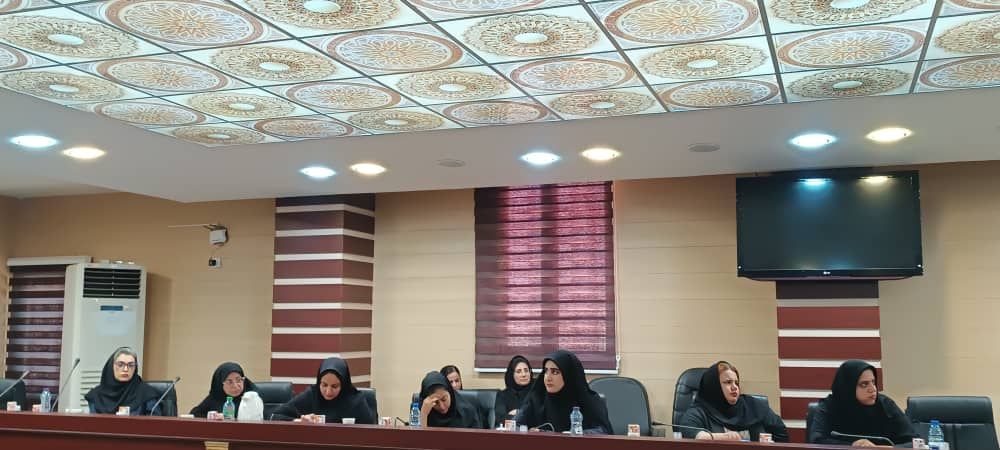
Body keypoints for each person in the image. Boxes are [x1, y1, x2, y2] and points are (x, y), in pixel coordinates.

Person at [808, 360, 916, 447]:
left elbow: (915, 442)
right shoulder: (830, 406)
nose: (873, 389)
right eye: (864, 384)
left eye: (873, 382)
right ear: (848, 388)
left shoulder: (886, 405)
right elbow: (816, 441)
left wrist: (884, 449)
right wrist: (852, 446)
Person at [679, 361, 788, 442]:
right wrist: (723, 437)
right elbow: (692, 436)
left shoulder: (756, 406)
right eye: (728, 382)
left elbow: (782, 436)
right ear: (713, 386)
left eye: (736, 382)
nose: (734, 387)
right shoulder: (698, 413)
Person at [514, 349, 612, 434]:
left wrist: (575, 434)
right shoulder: (538, 398)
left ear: (568, 375)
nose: (548, 378)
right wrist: (530, 432)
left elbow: (603, 431)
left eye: (555, 372)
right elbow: (514, 426)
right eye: (546, 371)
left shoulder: (588, 400)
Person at [271, 357, 375, 424]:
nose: (328, 392)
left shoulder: (356, 401)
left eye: (334, 386)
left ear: (344, 385)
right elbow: (274, 416)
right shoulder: (312, 395)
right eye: (324, 385)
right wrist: (298, 421)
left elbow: (372, 431)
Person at [84, 347, 161, 415]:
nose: (126, 369)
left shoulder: (147, 393)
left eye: (131, 365)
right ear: (111, 366)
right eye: (120, 365)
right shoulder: (96, 395)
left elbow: (155, 424)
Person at [189, 362, 258, 418]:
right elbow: (194, 414)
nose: (235, 386)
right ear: (220, 384)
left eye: (238, 380)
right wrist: (213, 417)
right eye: (230, 382)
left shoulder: (253, 397)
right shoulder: (215, 397)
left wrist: (227, 418)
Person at [494, 355, 533, 422]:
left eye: (526, 370)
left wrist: (517, 413)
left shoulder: (536, 392)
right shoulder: (503, 395)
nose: (524, 374)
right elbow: (501, 419)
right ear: (512, 374)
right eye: (518, 371)